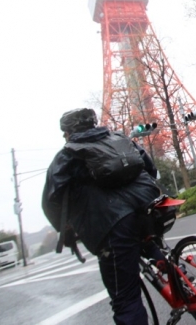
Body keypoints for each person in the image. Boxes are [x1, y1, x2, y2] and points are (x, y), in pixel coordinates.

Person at [42, 108, 163, 324]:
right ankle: (180, 276)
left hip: (111, 225)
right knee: (150, 240)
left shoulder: (67, 155)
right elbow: (150, 169)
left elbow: (51, 201)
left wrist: (67, 231)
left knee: (125, 300)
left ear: (68, 133)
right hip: (149, 208)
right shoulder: (119, 138)